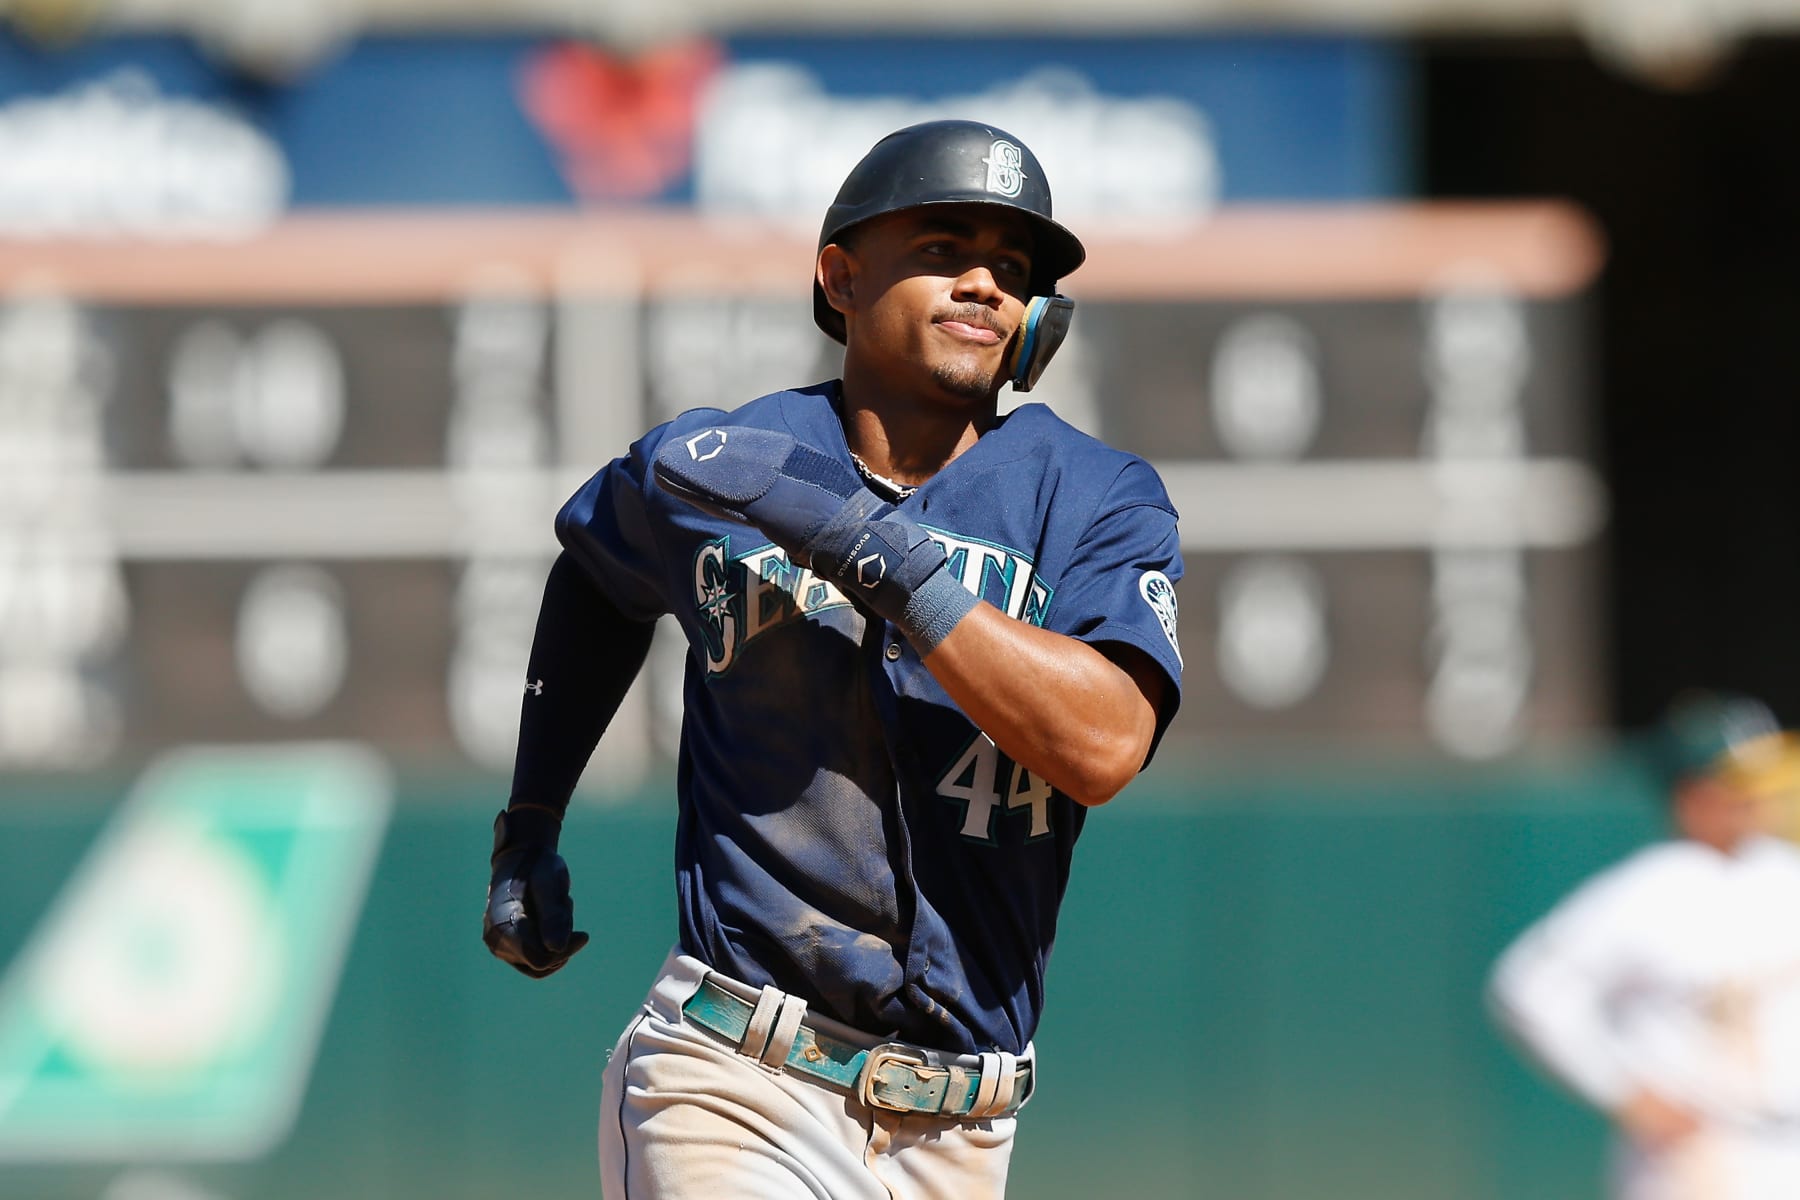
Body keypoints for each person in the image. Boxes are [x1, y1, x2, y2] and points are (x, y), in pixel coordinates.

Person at [480, 119, 1185, 1199]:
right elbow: (595, 575)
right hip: (736, 1077)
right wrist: (529, 823)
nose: (985, 282)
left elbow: (1105, 745)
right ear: (841, 276)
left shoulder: (1093, 497)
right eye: (945, 248)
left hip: (964, 1130)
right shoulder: (732, 464)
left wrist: (885, 559)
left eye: (1012, 266)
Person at [1488, 692, 1800, 1200]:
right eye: (1737, 786)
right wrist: (1624, 1089)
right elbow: (1529, 987)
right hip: (1698, 1153)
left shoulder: (1786, 874)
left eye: (1759, 785)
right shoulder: (1646, 891)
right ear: (1690, 793)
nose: (1755, 800)